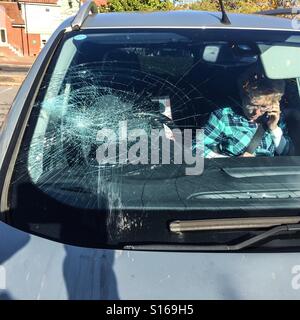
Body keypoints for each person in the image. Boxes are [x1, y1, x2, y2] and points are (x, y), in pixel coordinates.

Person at [202, 68, 292, 158]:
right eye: (252, 105)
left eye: (264, 107)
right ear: (242, 97)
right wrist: (232, 162)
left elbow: (287, 154)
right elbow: (193, 149)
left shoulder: (274, 116)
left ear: (274, 103)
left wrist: (274, 128)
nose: (256, 112)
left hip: (274, 171)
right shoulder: (224, 116)